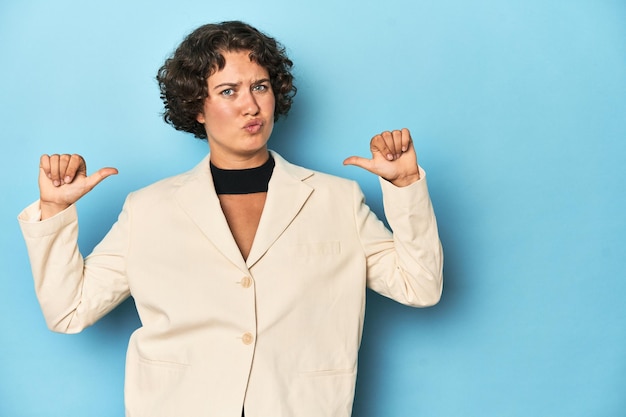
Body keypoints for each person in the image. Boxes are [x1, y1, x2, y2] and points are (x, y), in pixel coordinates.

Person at [18, 20, 443, 417]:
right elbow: (69, 310)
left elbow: (419, 286)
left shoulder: (337, 199)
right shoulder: (148, 209)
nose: (250, 105)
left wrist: (406, 187)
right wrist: (55, 210)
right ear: (197, 108)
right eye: (228, 91)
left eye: (260, 86)